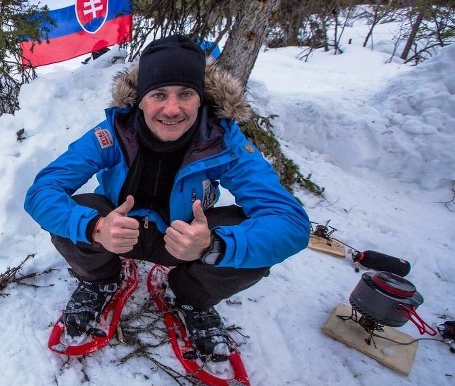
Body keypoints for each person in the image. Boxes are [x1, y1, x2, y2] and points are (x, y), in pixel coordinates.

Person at [24, 34, 310, 359]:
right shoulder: (113, 133)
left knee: (248, 238)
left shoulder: (222, 141)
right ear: (141, 99)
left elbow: (291, 222)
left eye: (185, 94)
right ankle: (100, 280)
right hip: (120, 235)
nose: (172, 109)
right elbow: (42, 192)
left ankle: (191, 296)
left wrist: (215, 246)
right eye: (159, 94)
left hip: (184, 242)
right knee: (79, 213)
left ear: (200, 99)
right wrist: (95, 228)